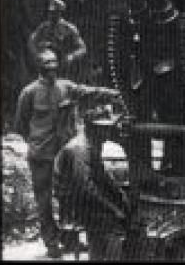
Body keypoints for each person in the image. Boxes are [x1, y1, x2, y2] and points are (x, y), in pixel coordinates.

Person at [14, 49, 120, 258]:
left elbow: (89, 92)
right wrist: (36, 142)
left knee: (68, 196)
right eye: (47, 63)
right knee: (44, 201)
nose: (52, 67)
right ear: (39, 67)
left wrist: (114, 93)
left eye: (54, 62)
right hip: (41, 155)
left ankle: (69, 240)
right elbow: (20, 124)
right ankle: (52, 243)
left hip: (64, 154)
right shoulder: (29, 93)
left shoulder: (65, 87)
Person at [54, 109, 133, 260]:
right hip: (72, 202)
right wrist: (113, 208)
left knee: (123, 210)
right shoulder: (80, 149)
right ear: (91, 128)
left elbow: (101, 174)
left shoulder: (93, 143)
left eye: (107, 128)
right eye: (102, 128)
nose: (106, 133)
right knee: (113, 222)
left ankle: (100, 251)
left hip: (82, 196)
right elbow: (85, 187)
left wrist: (119, 194)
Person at [28, 0, 87, 78]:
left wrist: (72, 56)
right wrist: (37, 55)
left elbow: (82, 48)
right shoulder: (44, 27)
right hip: (47, 65)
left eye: (55, 12)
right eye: (51, 12)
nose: (52, 15)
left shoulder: (69, 28)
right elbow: (31, 41)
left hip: (63, 65)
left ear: (60, 13)